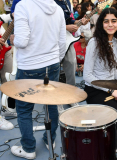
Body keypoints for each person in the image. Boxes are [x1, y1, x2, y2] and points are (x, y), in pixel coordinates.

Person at [10, 0, 66, 159]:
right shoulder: (57, 7)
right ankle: (50, 139)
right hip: (53, 64)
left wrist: (13, 38)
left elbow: (21, 41)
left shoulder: (23, 5)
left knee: (24, 109)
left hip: (29, 66)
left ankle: (28, 148)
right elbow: (62, 42)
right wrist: (55, 59)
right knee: (52, 105)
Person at [83, 8, 117, 159]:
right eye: (106, 21)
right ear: (101, 24)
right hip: (95, 90)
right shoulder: (94, 43)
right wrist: (110, 90)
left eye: (113, 21)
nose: (110, 24)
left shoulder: (114, 41)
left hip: (110, 86)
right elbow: (87, 76)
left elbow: (112, 71)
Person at [0, 13, 15, 130]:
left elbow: (3, 17)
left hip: (4, 50)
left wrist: (12, 14)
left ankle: (7, 108)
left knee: (9, 81)